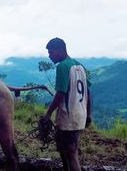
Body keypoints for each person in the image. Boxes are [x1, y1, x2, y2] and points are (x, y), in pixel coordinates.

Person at [42, 37, 91, 171]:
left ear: (59, 50)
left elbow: (60, 94)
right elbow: (88, 92)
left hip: (68, 118)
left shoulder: (63, 67)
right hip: (80, 115)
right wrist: (88, 114)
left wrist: (48, 113)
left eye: (51, 52)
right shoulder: (80, 66)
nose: (50, 56)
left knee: (71, 153)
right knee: (65, 151)